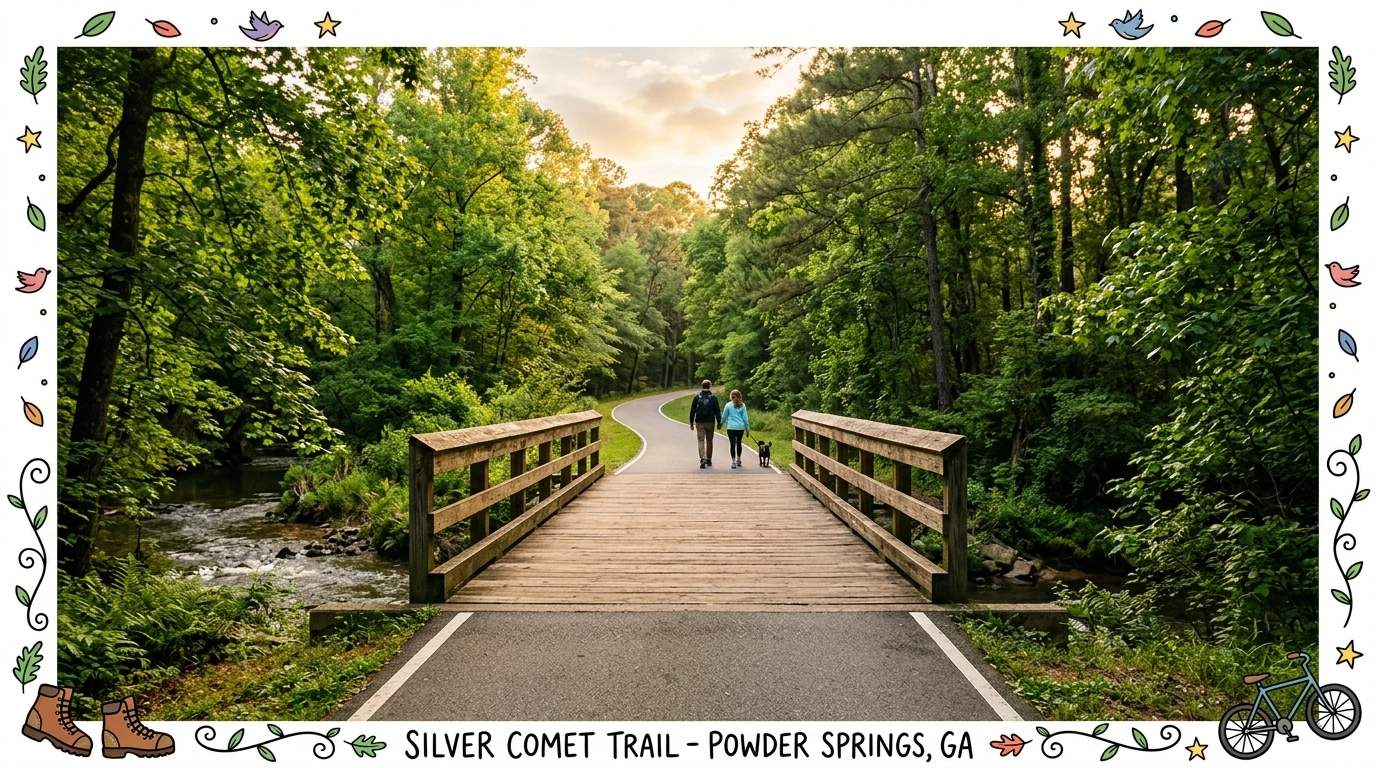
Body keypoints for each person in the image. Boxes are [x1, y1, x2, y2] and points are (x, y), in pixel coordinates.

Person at [688, 380, 721, 469]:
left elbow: (692, 410)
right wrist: (719, 422)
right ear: (710, 386)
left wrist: (691, 422)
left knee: (701, 440)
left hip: (699, 421)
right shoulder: (713, 398)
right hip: (710, 421)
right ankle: (709, 459)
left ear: (702, 386)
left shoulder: (697, 397)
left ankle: (702, 458)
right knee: (709, 441)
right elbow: (717, 411)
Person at [721, 389, 751, 468]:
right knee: (739, 443)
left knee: (732, 444)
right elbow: (745, 418)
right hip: (740, 427)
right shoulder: (743, 405)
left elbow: (724, 416)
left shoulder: (728, 405)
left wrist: (721, 423)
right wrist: (747, 428)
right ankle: (739, 459)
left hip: (731, 427)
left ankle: (733, 461)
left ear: (731, 397)